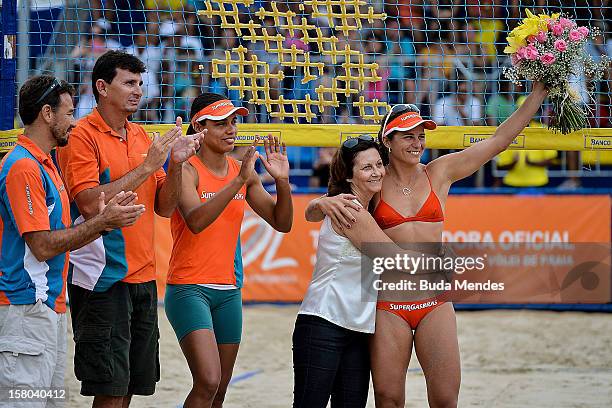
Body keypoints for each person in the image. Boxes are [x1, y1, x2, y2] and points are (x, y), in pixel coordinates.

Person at [306, 82, 548, 407]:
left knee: (446, 399)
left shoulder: (440, 172)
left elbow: (499, 140)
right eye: (408, 136)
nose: (417, 142)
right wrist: (320, 204)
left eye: (421, 135)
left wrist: (538, 94)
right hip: (389, 304)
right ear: (387, 141)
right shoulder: (375, 181)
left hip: (434, 300)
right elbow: (331, 200)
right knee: (389, 399)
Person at [55, 51, 203, 407]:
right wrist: (148, 166)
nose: (137, 90)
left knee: (133, 385)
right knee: (109, 389)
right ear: (102, 87)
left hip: (143, 277)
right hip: (101, 279)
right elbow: (90, 203)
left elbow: (165, 207)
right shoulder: (81, 135)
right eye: (128, 82)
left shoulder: (140, 135)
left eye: (140, 82)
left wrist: (176, 164)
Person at [0, 75, 145, 408]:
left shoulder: (46, 165)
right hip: (24, 307)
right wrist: (102, 223)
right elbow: (42, 245)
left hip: (47, 305)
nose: (74, 121)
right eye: (68, 112)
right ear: (47, 114)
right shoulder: (23, 167)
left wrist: (101, 223)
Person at [164, 92, 293, 408]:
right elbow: (196, 221)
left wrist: (283, 182)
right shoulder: (187, 169)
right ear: (200, 126)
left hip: (229, 290)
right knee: (207, 380)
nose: (231, 129)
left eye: (234, 121)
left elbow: (282, 222)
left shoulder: (241, 171)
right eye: (221, 123)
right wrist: (237, 182)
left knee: (219, 388)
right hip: (188, 288)